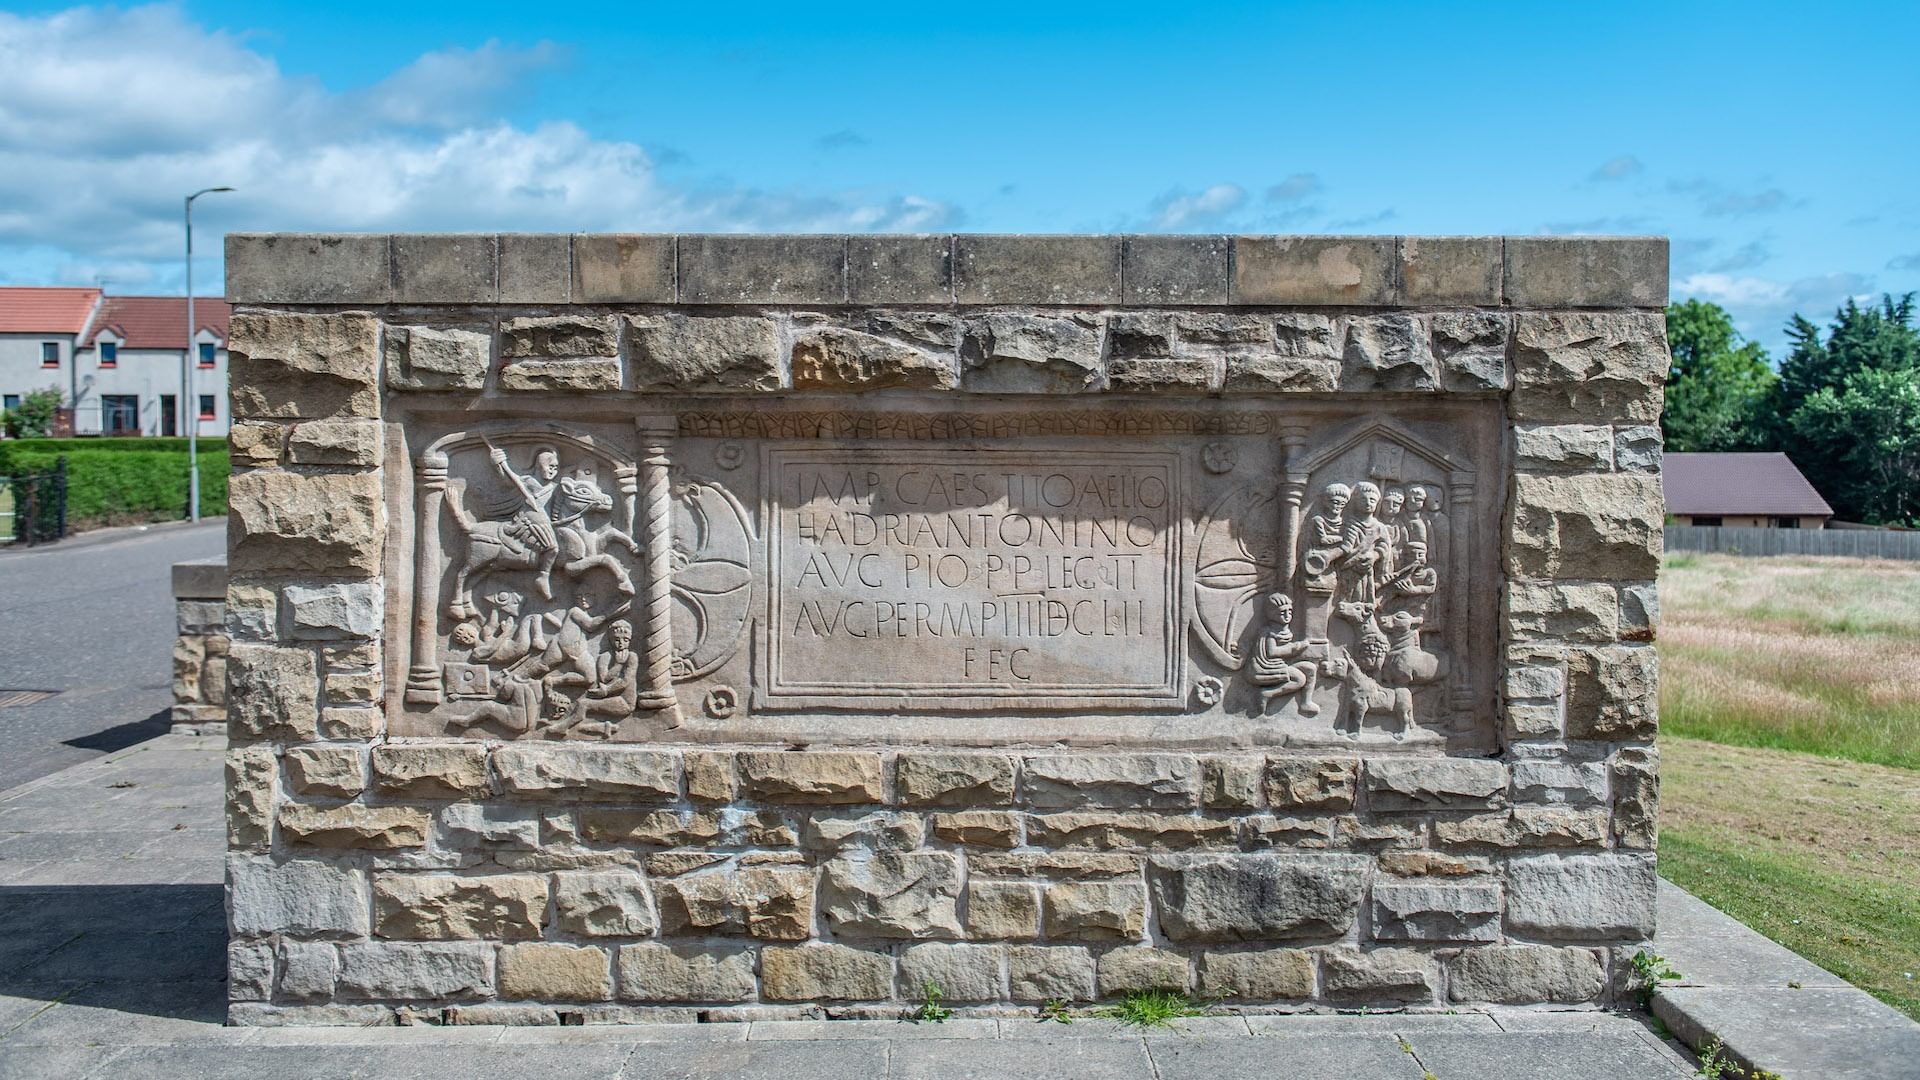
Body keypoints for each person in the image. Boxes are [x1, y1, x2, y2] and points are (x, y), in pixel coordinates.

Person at [1248, 593, 1320, 716]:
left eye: (1289, 612)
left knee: (1311, 668)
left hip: (1280, 664)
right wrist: (1296, 647)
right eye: (1282, 613)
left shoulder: (1284, 630)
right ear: (1272, 614)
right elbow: (1272, 652)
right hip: (1266, 667)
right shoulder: (1269, 632)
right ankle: (1268, 694)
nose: (1287, 616)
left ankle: (1306, 703)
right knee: (1300, 679)